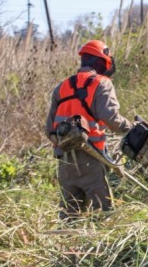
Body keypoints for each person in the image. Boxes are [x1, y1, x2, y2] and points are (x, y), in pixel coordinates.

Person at [46, 40, 135, 219]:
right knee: (103, 215)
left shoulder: (62, 87)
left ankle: (68, 246)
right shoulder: (102, 84)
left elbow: (50, 129)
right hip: (92, 158)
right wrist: (132, 128)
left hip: (65, 163)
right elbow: (112, 119)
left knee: (69, 218)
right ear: (101, 62)